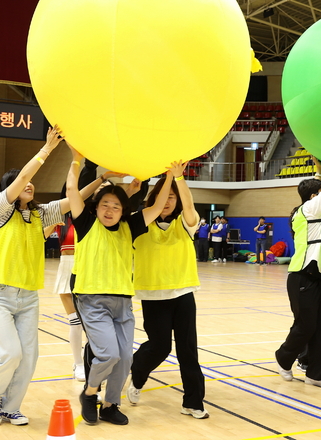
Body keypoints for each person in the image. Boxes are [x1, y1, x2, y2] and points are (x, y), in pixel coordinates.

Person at [0, 126, 86, 427]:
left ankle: (11, 406)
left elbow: (74, 198)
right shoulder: (0, 211)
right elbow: (24, 177)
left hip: (27, 297)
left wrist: (99, 178)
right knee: (10, 353)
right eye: (18, 183)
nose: (28, 185)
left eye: (28, 183)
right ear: (8, 188)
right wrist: (48, 149)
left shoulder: (40, 215)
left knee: (28, 358)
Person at [66, 145, 174, 426]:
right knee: (108, 354)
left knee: (125, 357)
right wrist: (78, 162)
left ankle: (111, 405)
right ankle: (90, 394)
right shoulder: (87, 223)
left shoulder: (130, 226)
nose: (110, 209)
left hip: (122, 302)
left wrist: (172, 176)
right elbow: (71, 193)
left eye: (116, 206)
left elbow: (159, 206)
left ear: (123, 209)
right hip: (92, 299)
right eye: (105, 204)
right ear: (96, 208)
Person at [128, 164, 209, 419]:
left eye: (172, 197)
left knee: (188, 350)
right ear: (154, 199)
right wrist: (162, 181)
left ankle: (193, 402)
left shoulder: (185, 225)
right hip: (153, 296)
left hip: (183, 294)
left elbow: (189, 206)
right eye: (164, 196)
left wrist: (178, 178)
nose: (168, 202)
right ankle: (137, 376)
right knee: (159, 347)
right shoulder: (141, 224)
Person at [274, 139, 321, 389]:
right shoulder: (307, 210)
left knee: (320, 327)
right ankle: (283, 358)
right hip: (302, 276)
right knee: (305, 325)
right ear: (313, 197)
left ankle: (314, 374)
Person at [53, 165, 127, 383]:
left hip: (99, 272)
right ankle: (78, 364)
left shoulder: (109, 219)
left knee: (97, 327)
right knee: (76, 321)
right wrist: (88, 165)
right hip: (70, 264)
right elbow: (74, 189)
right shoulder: (73, 212)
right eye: (99, 188)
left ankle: (99, 363)